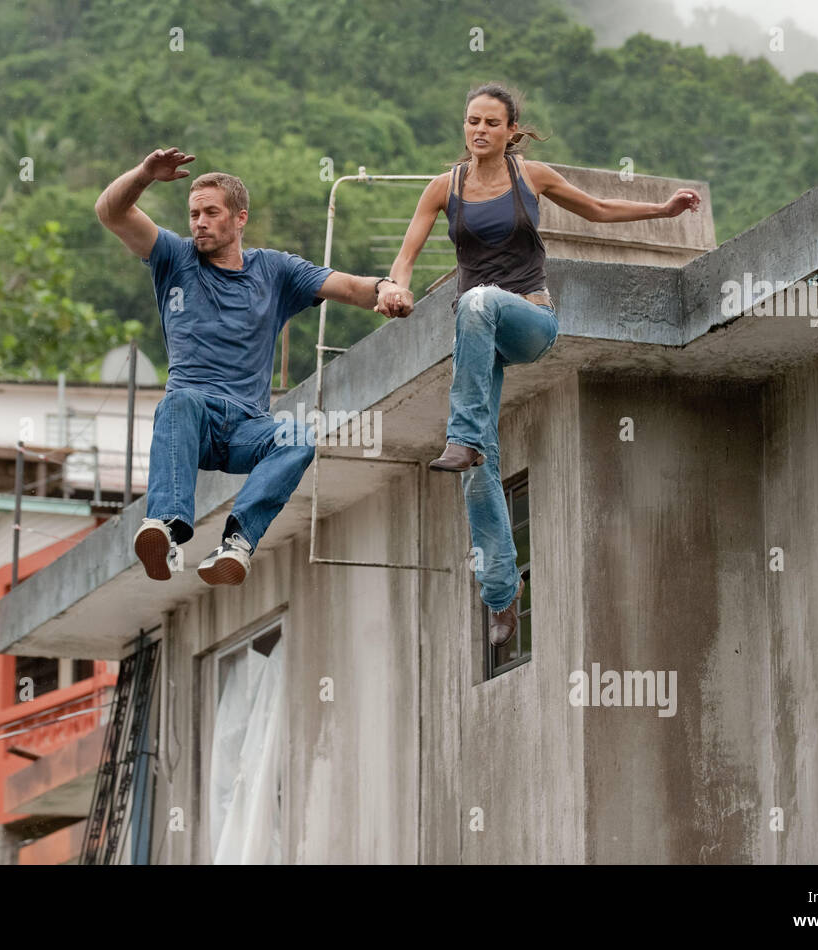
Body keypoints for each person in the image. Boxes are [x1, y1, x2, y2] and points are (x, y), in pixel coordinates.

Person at [380, 82, 701, 647]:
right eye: (470, 120)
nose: (478, 130)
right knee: (478, 478)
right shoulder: (442, 188)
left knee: (477, 299)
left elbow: (597, 210)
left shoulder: (531, 177)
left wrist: (663, 209)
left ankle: (463, 435)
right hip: (479, 336)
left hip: (528, 320)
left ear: (510, 131)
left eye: (490, 123)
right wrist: (394, 289)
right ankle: (502, 595)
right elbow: (405, 258)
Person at [95, 147, 412, 586]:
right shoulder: (173, 257)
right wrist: (145, 173)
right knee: (179, 401)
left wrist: (385, 289)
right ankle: (165, 530)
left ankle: (237, 543)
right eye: (193, 214)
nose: (199, 222)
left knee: (297, 437)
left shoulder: (275, 271)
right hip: (194, 421)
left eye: (210, 212)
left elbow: (348, 286)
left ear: (240, 218)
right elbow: (110, 212)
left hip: (246, 428)